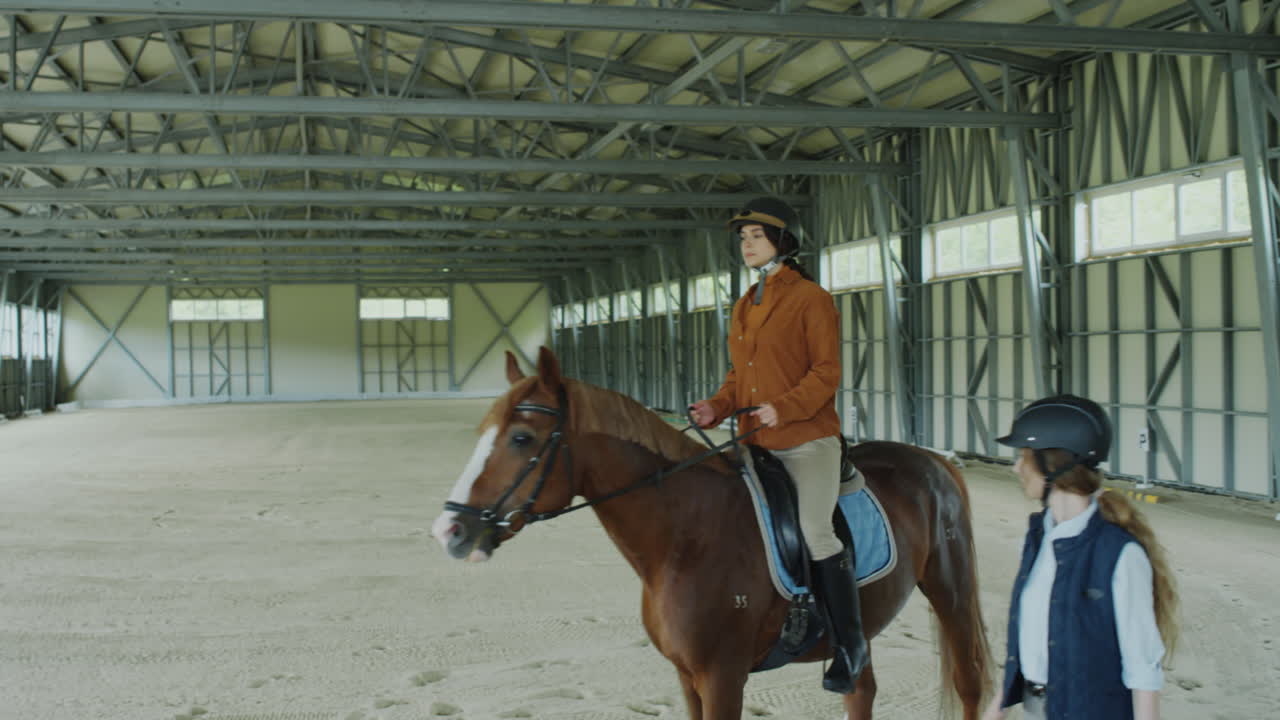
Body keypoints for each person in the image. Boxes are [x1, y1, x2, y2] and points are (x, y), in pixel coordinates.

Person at [687, 196, 868, 694]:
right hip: (752, 441)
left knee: (814, 530)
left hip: (805, 440)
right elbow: (739, 375)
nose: (747, 245)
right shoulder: (746, 302)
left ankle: (851, 645)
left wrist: (782, 408)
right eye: (743, 238)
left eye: (757, 237)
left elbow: (827, 371)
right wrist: (717, 406)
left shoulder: (811, 298)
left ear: (782, 242)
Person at [984, 395, 1180, 720]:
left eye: (1024, 456)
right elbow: (1029, 646)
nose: (1016, 466)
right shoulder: (1038, 538)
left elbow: (1143, 671)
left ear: (1054, 463)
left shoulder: (1120, 554)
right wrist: (995, 711)